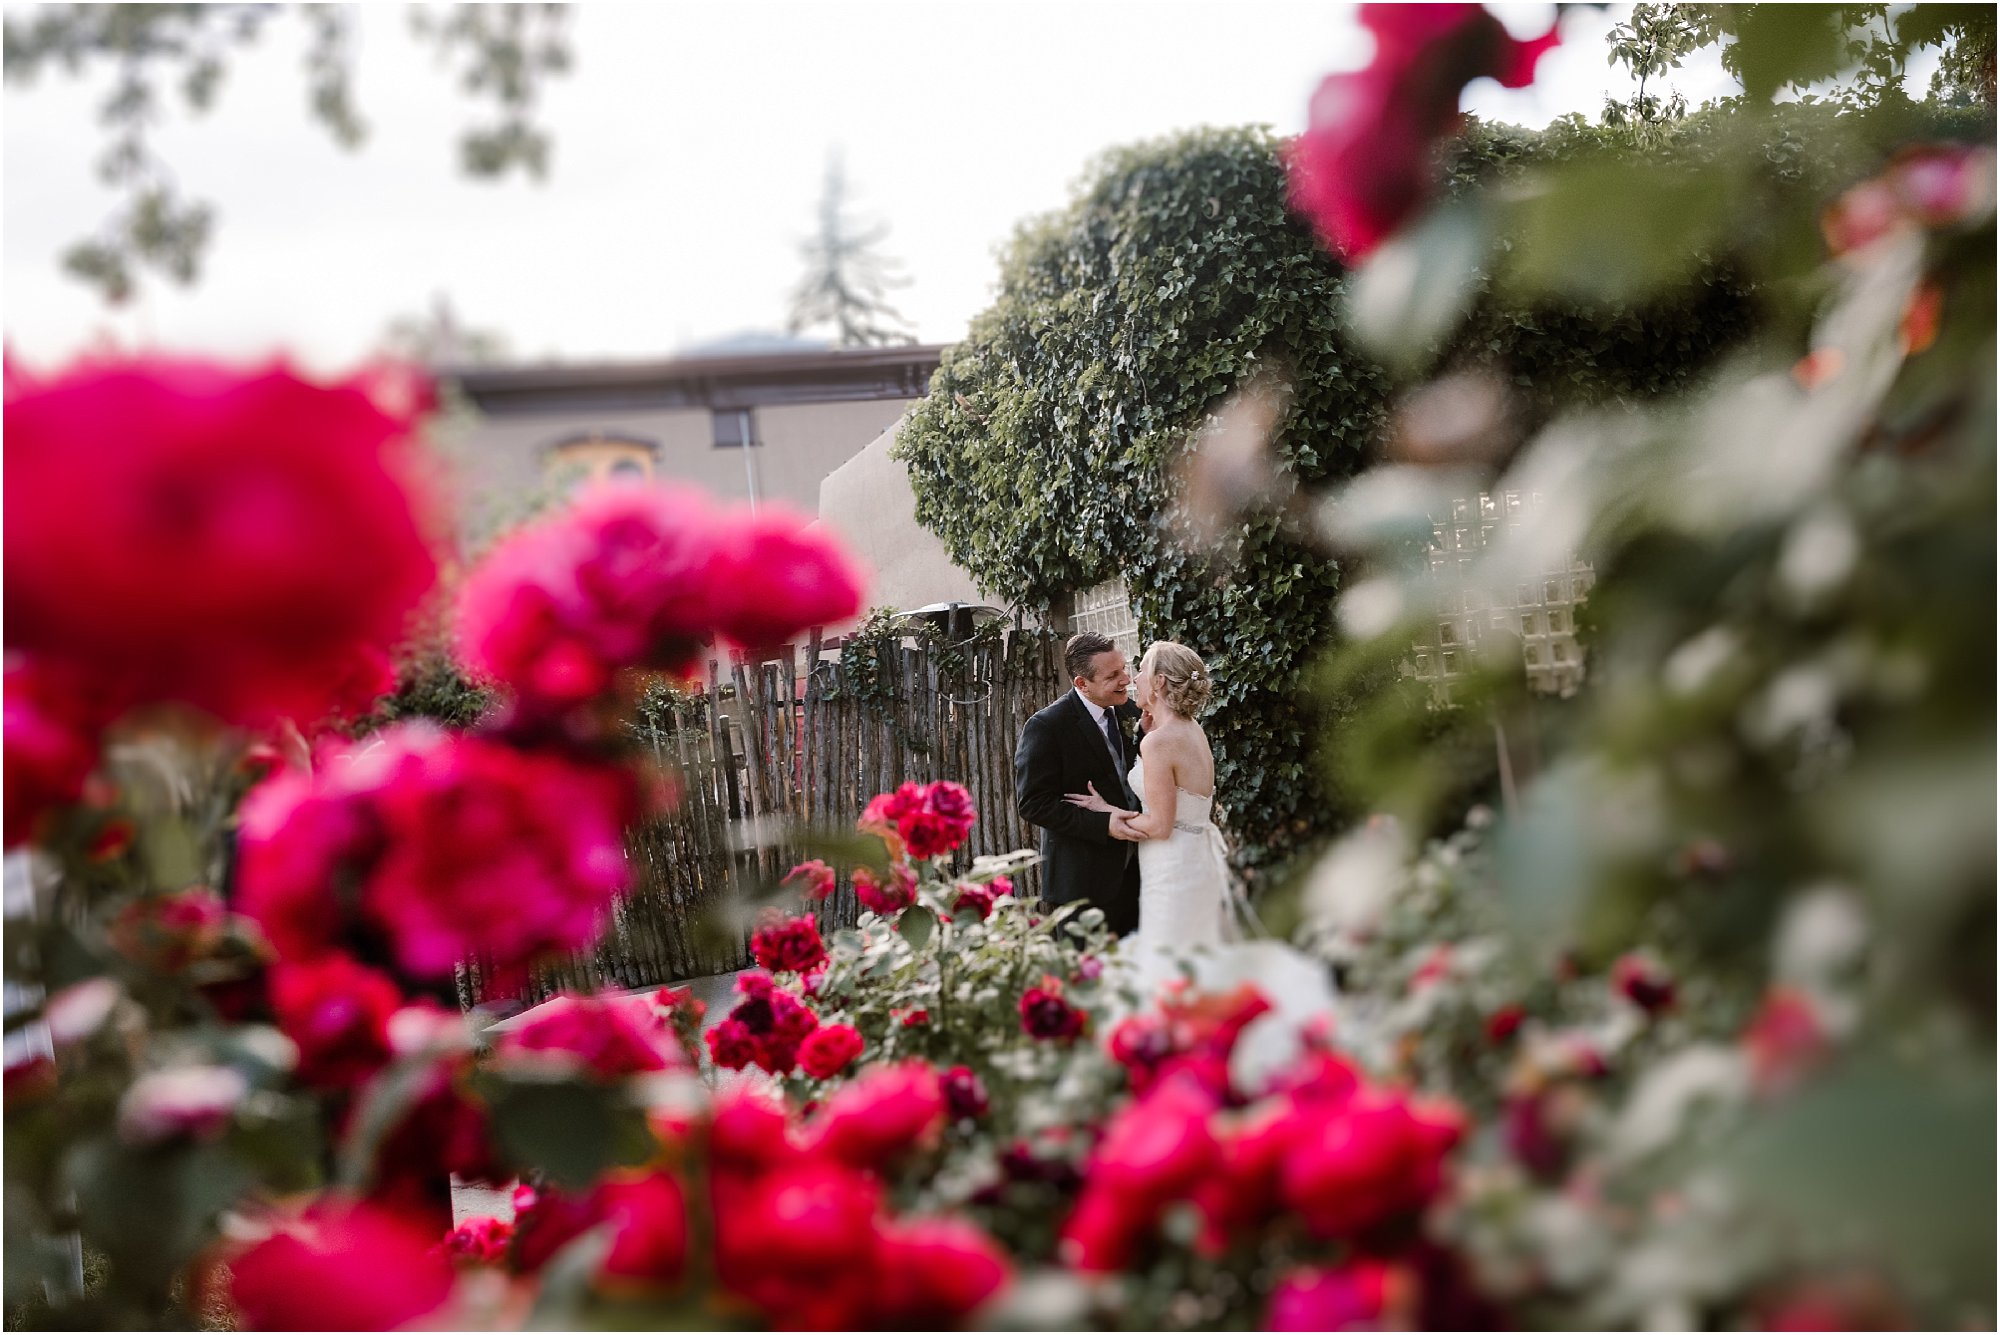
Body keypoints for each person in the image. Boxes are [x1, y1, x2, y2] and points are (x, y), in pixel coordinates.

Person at [1064, 640, 1237, 954]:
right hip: (1194, 858)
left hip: (1171, 867)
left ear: (1159, 682)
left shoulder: (1159, 742)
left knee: (1171, 961)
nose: (1133, 678)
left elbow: (1159, 827)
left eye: (1141, 669)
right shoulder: (1191, 728)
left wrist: (1106, 811)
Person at [1013, 632, 1143, 936]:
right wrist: (1102, 823)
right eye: (1113, 675)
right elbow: (1033, 803)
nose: (1126, 679)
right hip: (1083, 883)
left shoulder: (1131, 712)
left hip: (1140, 875)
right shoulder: (1047, 726)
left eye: (1124, 668)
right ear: (1081, 683)